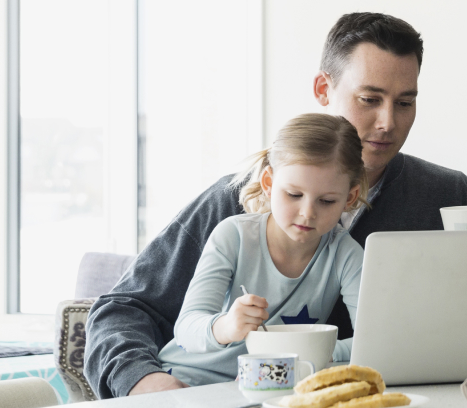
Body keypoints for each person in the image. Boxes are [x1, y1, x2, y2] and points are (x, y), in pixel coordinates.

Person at [85, 12, 467, 398]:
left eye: (405, 103)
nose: (388, 122)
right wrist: (143, 381)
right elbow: (121, 310)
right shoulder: (236, 203)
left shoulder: (451, 199)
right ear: (323, 90)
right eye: (369, 99)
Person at [156, 113, 367, 386]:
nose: (307, 213)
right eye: (293, 195)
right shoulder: (233, 236)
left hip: (266, 388)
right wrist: (228, 326)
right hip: (187, 382)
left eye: (326, 201)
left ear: (349, 198)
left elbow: (371, 343)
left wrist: (293, 353)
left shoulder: (346, 254)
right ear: (268, 183)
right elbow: (186, 330)